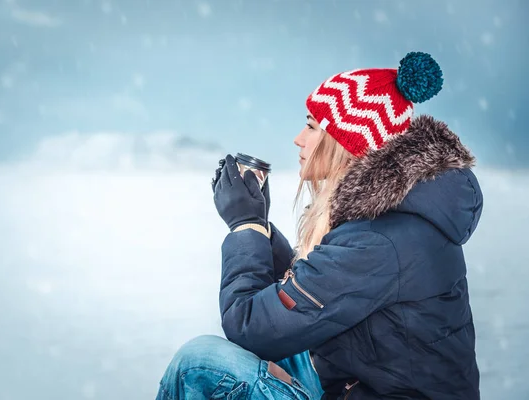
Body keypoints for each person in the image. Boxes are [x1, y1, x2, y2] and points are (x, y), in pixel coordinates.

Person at [156, 51, 483, 399]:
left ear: (347, 142)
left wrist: (245, 226)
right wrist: (261, 229)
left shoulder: (380, 240)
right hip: (357, 384)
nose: (299, 138)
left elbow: (249, 326)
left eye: (312, 126)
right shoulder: (392, 218)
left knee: (199, 363)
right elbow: (317, 287)